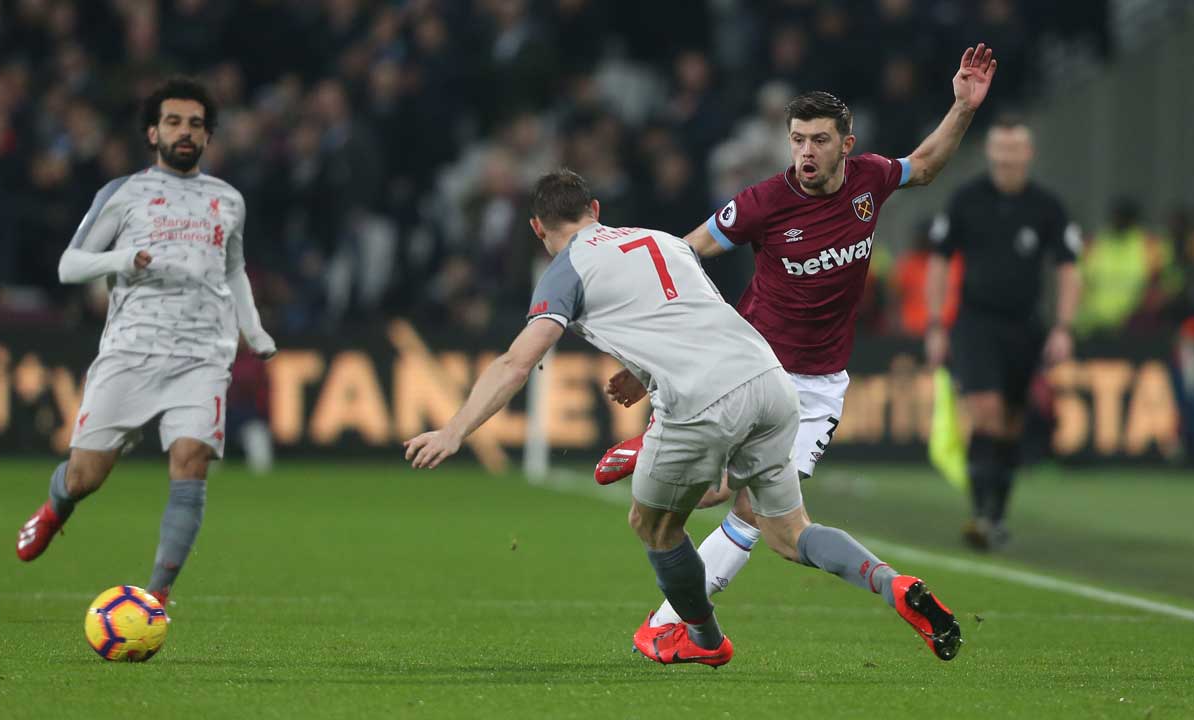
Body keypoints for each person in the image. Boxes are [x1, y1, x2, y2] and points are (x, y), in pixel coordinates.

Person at [404, 170, 962, 667]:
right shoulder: (663, 241)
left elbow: (516, 362)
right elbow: (686, 322)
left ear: (536, 228)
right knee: (791, 534)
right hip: (769, 380)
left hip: (701, 404)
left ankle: (702, 636)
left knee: (653, 525)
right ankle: (893, 583)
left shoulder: (564, 270)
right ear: (596, 210)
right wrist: (643, 371)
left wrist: (455, 429)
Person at [598, 45, 997, 628]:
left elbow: (927, 164)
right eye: (798, 140)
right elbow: (686, 252)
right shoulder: (764, 202)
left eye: (819, 140)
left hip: (817, 388)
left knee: (763, 520)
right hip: (749, 369)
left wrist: (962, 107)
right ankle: (669, 616)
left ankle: (671, 620)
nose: (806, 152)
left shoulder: (871, 181)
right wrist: (649, 352)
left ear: (846, 145)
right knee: (721, 496)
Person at [14, 78, 277, 607]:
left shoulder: (228, 200)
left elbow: (234, 270)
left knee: (192, 460)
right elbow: (69, 265)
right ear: (153, 131)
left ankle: (155, 598)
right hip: (130, 352)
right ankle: (55, 507)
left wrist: (253, 330)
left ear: (207, 137)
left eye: (196, 124)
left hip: (204, 354)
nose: (185, 132)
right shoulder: (122, 193)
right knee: (87, 475)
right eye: (175, 122)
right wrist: (120, 260)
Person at [926, 116, 1080, 550]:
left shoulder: (1047, 206)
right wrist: (936, 324)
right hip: (975, 323)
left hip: (1025, 327)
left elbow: (1069, 268)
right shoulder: (966, 200)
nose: (1007, 159)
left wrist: (1063, 327)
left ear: (1027, 153)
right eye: (1000, 150)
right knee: (987, 410)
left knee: (1012, 423)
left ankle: (996, 515)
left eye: (1015, 150)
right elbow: (939, 261)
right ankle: (980, 515)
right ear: (991, 153)